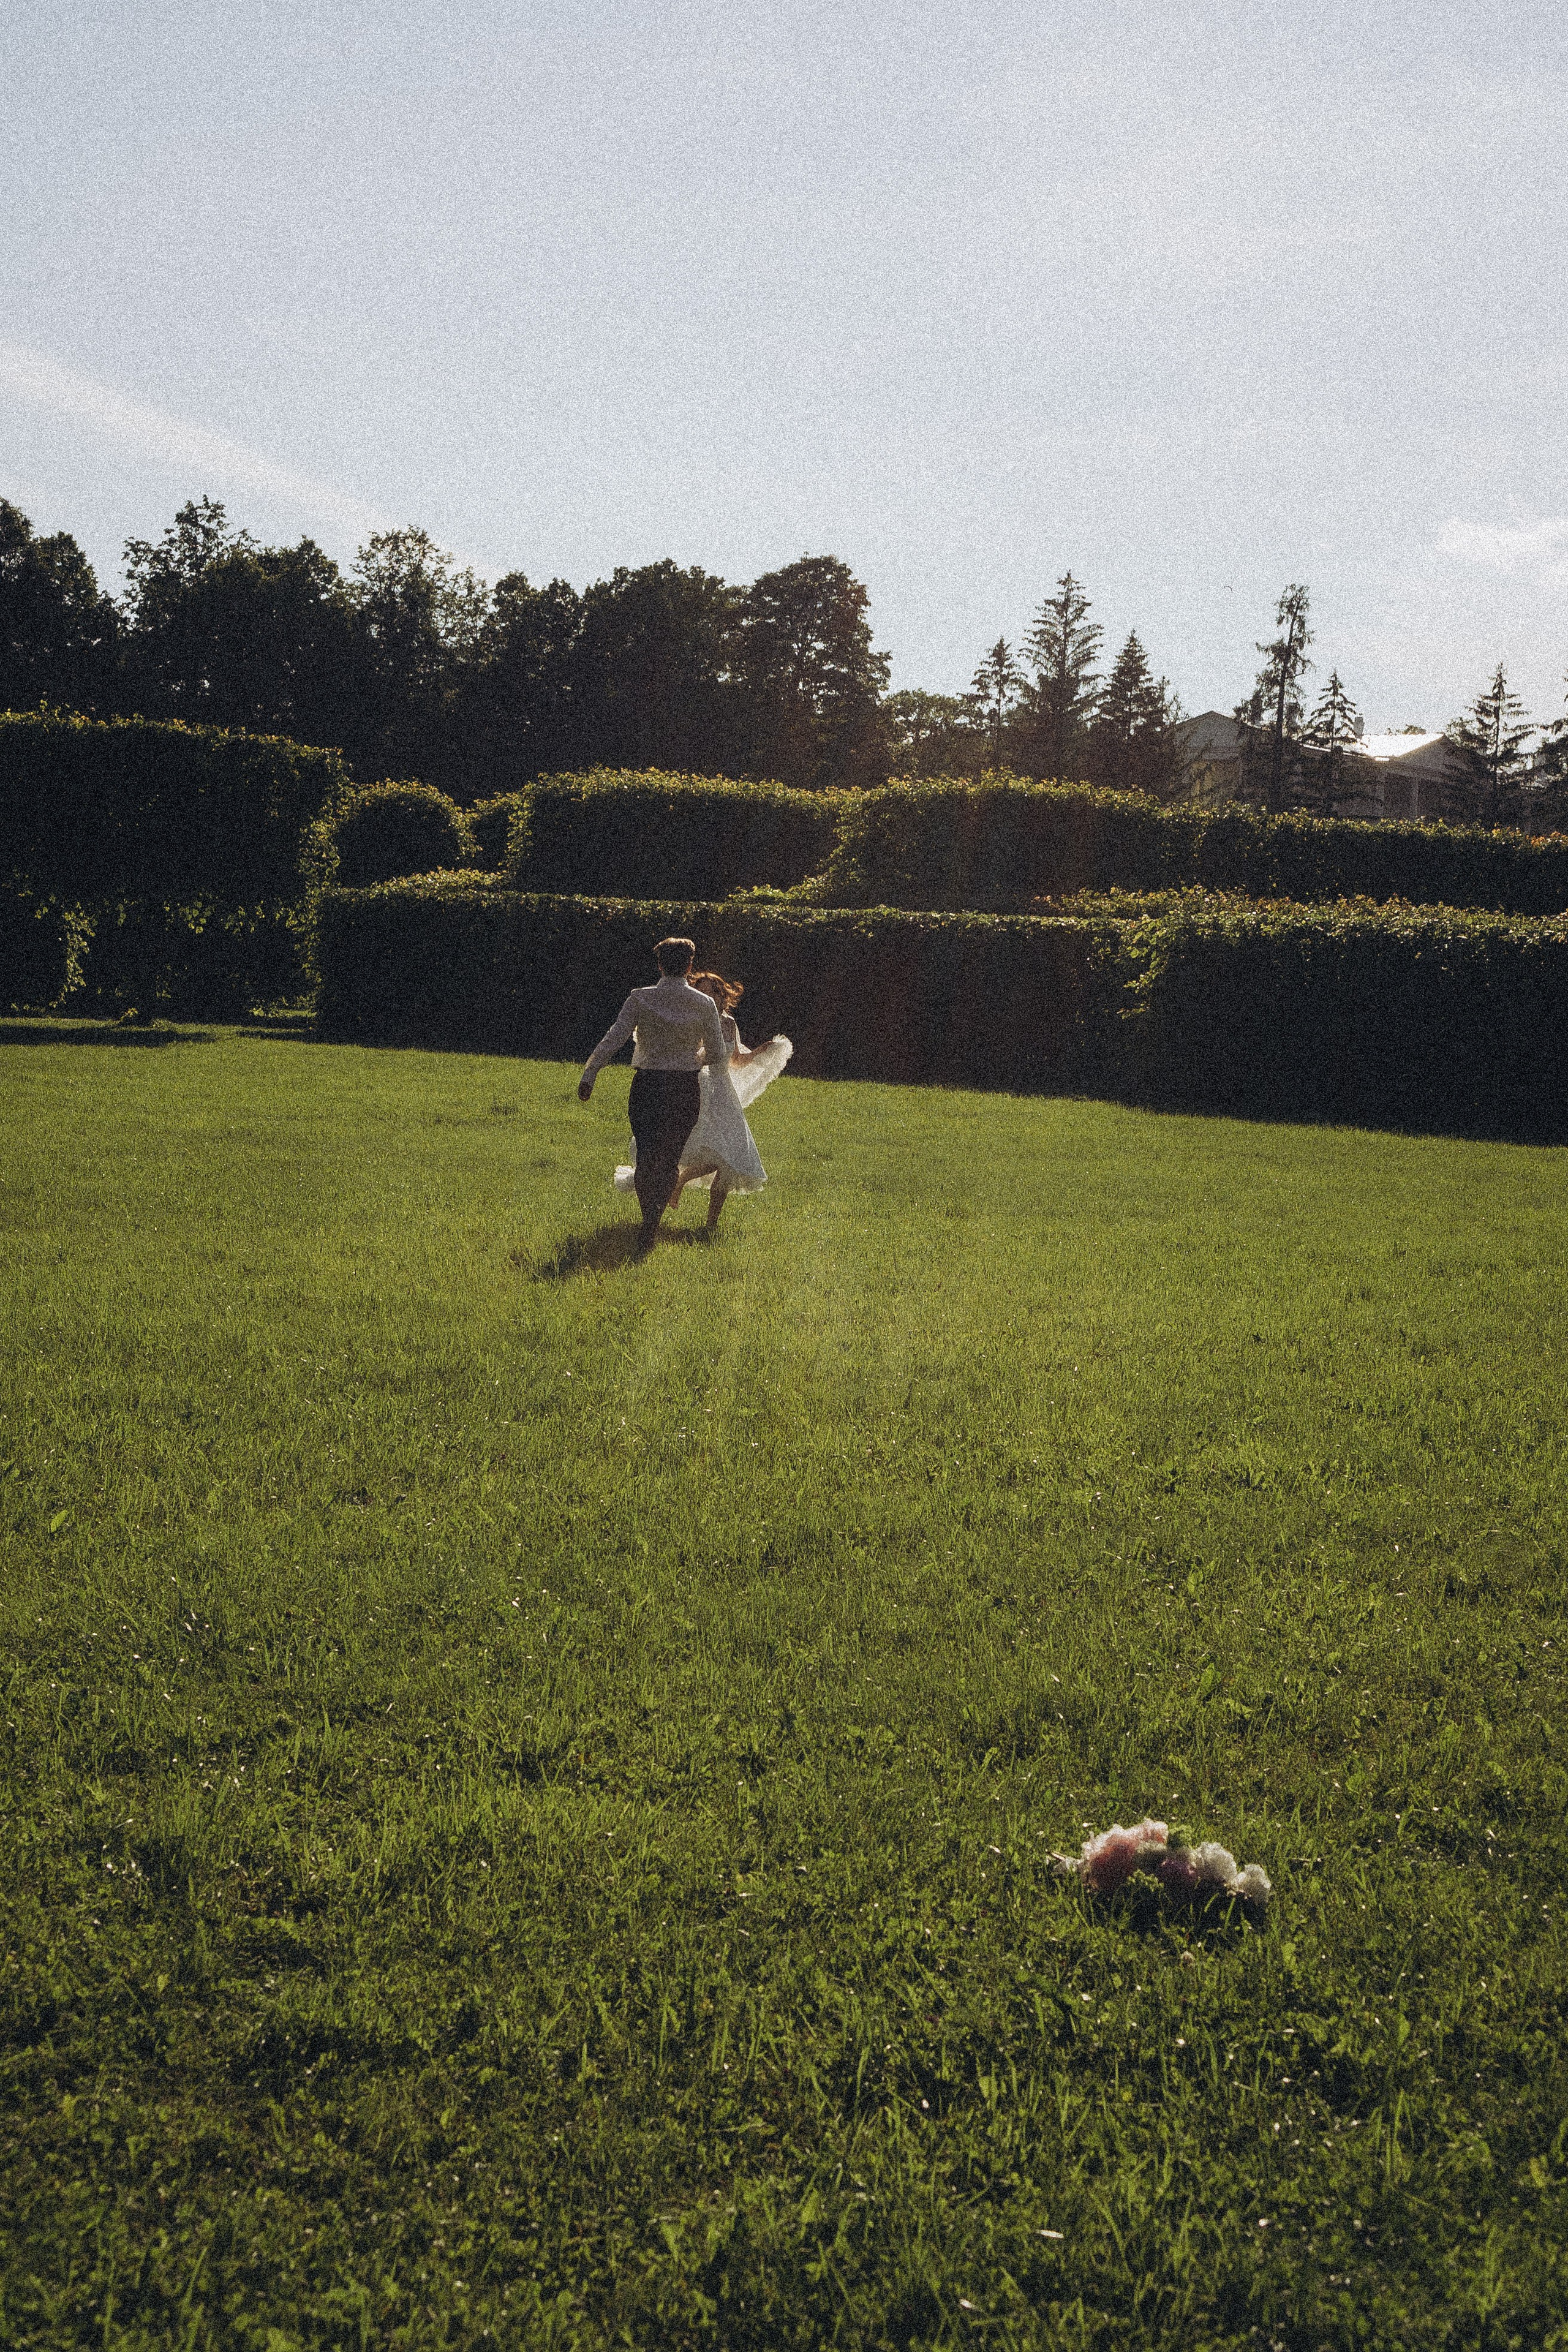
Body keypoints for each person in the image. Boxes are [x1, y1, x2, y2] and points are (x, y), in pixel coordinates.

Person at [578, 937, 729, 1248]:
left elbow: (613, 1039)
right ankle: (654, 1219)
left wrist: (589, 1075)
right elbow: (716, 1054)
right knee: (670, 1156)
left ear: (660, 965)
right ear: (689, 966)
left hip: (647, 1085)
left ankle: (649, 1216)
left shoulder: (640, 998)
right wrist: (692, 1057)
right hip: (684, 1089)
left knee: (647, 1155)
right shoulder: (705, 1004)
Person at [618, 970, 792, 1232]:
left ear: (722, 997)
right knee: (703, 1152)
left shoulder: (730, 1023)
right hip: (700, 1088)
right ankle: (671, 1193)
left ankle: (710, 1225)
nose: (707, 995)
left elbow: (736, 1059)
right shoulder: (695, 1018)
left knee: (732, 1158)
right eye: (702, 991)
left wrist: (761, 1052)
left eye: (713, 991)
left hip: (724, 1093)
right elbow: (688, 1051)